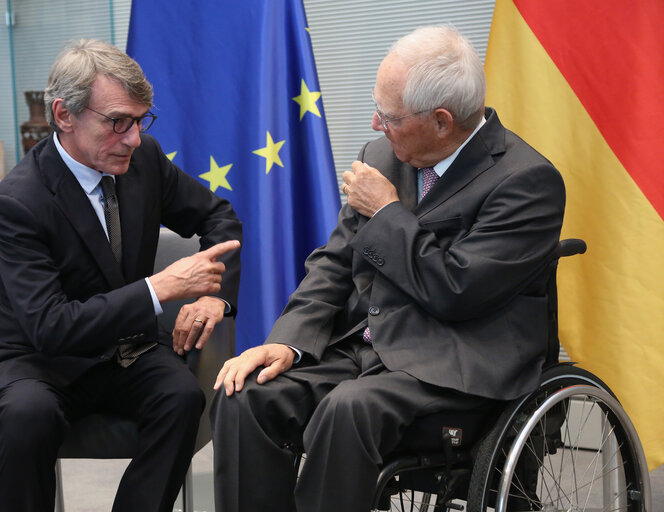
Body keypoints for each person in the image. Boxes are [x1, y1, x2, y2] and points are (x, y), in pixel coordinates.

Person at [210, 25, 565, 512]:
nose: (375, 125)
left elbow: (457, 290)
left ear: (442, 121)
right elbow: (335, 261)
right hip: (366, 349)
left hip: (453, 365)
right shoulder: (383, 155)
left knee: (348, 409)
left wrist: (386, 214)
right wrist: (288, 340)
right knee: (245, 397)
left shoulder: (527, 182)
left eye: (389, 116)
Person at [0, 39, 242, 512]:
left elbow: (220, 219)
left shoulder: (144, 161)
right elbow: (51, 326)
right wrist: (160, 288)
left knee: (181, 398)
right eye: (117, 122)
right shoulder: (19, 202)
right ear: (64, 115)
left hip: (127, 351)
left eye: (141, 121)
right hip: (39, 361)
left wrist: (214, 299)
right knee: (27, 417)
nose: (133, 138)